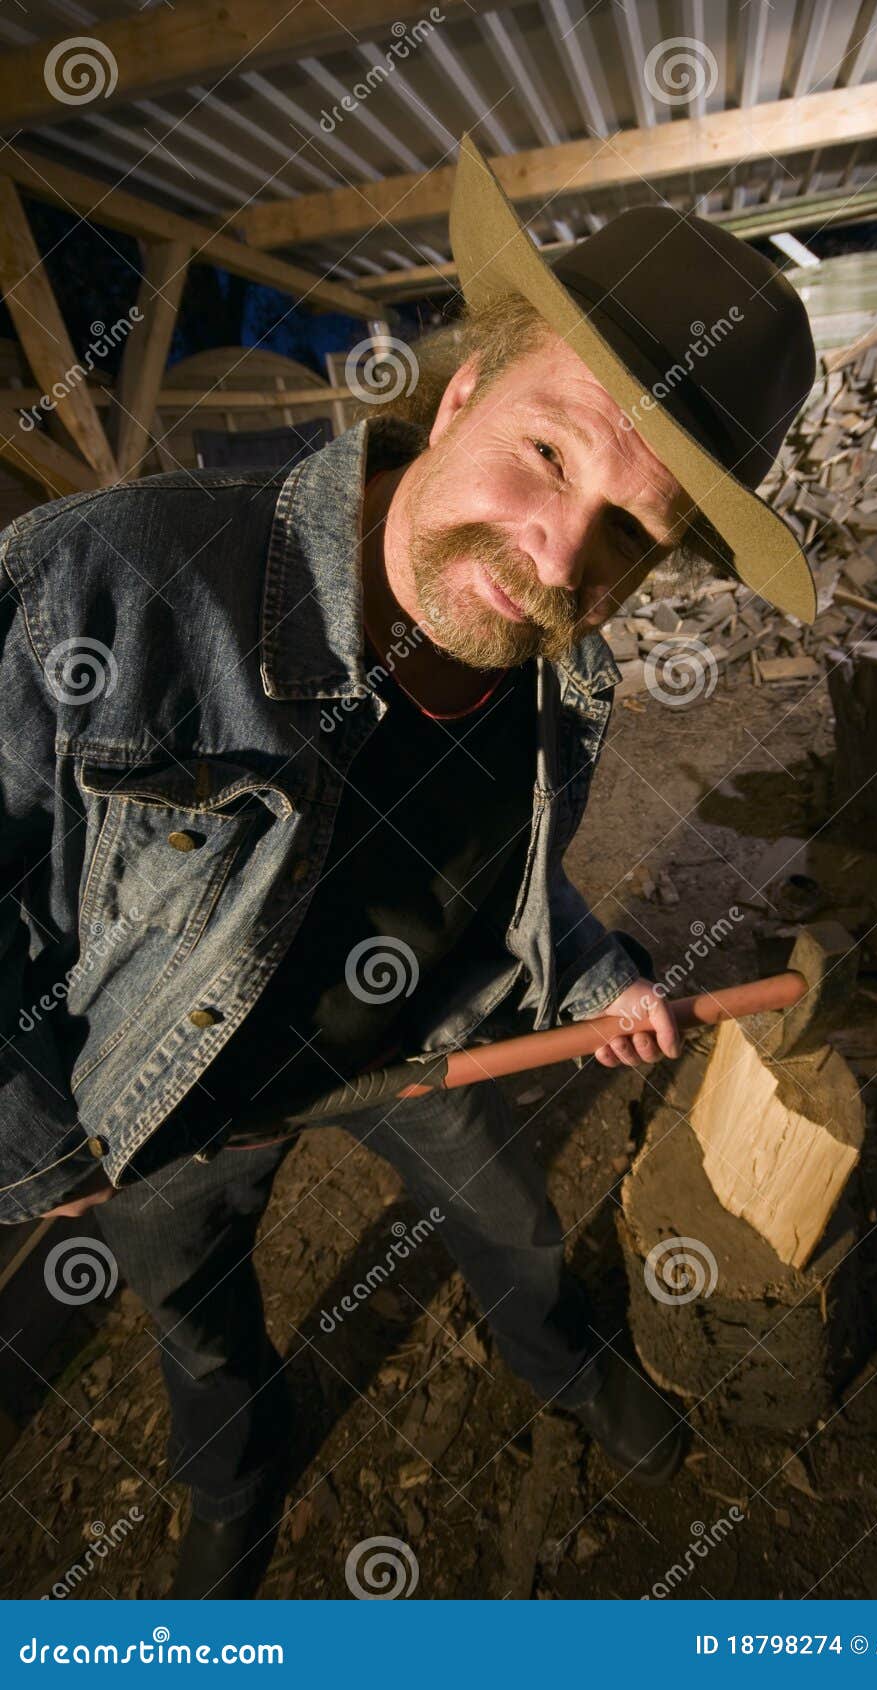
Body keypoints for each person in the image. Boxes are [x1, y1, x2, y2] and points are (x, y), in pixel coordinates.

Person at [0, 136, 816, 1596]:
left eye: (632, 531)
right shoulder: (105, 587)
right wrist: (42, 1134)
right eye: (549, 451)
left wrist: (606, 973)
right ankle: (238, 1474)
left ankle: (565, 1365)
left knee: (517, 1230)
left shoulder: (563, 687)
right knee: (198, 1326)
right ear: (460, 394)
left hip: (431, 1052)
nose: (560, 558)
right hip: (173, 1101)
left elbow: (506, 885)